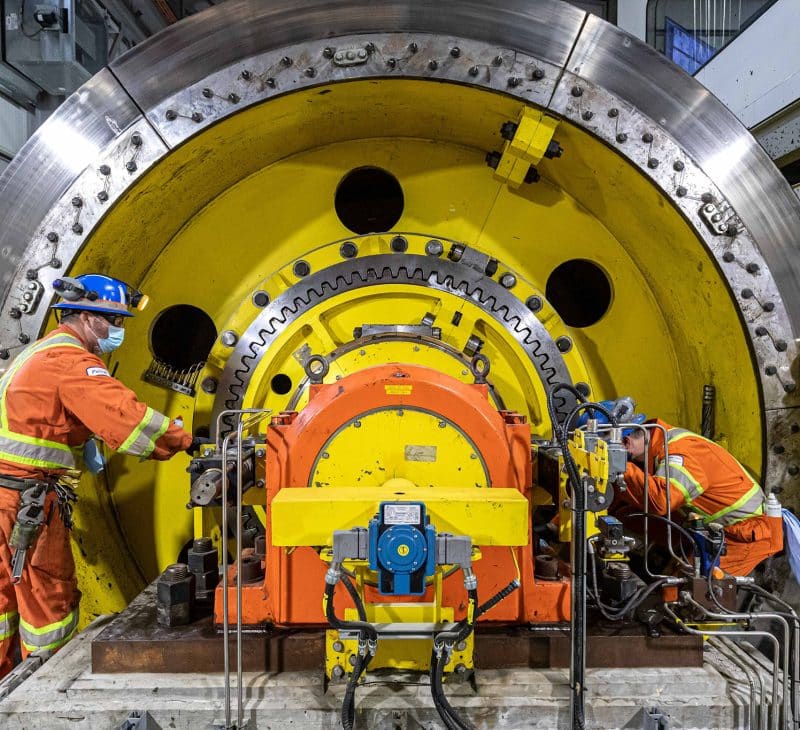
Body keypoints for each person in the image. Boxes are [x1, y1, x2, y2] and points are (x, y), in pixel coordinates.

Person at [0, 274, 198, 677]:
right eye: (116, 322)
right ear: (89, 318)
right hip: (25, 503)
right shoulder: (70, 361)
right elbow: (127, 418)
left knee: (3, 602)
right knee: (48, 604)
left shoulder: (42, 352)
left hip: (7, 494)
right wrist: (187, 440)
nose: (119, 332)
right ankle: (47, 688)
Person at [618, 413, 783, 576]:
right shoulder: (662, 441)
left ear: (626, 442)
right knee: (679, 588)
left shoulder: (678, 453)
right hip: (723, 532)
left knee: (698, 593)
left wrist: (621, 466)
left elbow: (663, 500)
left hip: (746, 534)